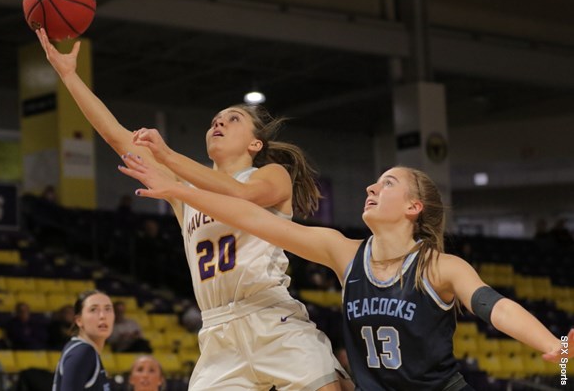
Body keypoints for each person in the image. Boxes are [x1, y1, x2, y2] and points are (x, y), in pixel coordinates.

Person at [37, 28, 349, 391]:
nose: (218, 122)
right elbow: (115, 135)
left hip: (271, 316)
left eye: (232, 119)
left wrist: (167, 156)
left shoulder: (270, 174)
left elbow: (242, 195)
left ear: (254, 142)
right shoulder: (183, 190)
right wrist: (68, 76)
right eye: (215, 118)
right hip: (217, 333)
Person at [120, 155, 574, 390]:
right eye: (375, 182)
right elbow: (251, 218)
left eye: (388, 183)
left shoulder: (439, 265)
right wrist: (178, 190)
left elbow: (495, 308)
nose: (372, 187)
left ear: (414, 208)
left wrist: (555, 350)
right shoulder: (341, 252)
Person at [52, 290, 113, 391]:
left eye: (108, 309)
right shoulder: (83, 352)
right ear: (79, 320)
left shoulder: (85, 351)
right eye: (93, 310)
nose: (103, 316)